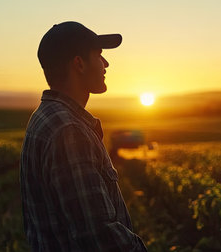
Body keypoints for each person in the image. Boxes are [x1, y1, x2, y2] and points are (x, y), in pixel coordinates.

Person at [20, 21, 147, 251]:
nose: (106, 63)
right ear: (79, 63)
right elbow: (99, 238)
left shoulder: (45, 116)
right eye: (99, 55)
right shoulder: (69, 132)